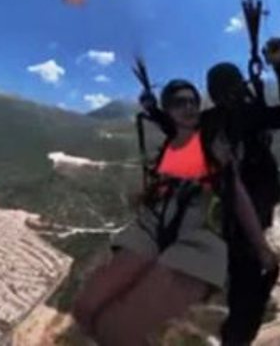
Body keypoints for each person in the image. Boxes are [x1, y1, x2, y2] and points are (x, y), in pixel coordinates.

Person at [72, 79, 231, 344]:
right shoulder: (173, 144)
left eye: (193, 102)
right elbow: (170, 126)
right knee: (86, 308)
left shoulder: (212, 135)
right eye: (180, 103)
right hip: (156, 220)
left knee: (123, 331)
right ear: (170, 110)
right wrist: (151, 108)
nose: (189, 107)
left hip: (199, 232)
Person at [207, 38, 280, 346]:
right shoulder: (236, 117)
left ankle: (235, 337)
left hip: (246, 217)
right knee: (248, 290)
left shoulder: (235, 116)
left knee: (247, 289)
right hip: (241, 220)